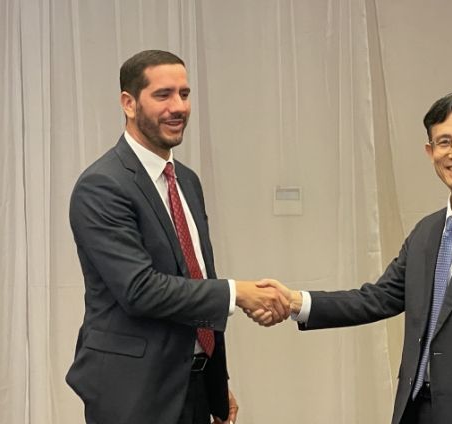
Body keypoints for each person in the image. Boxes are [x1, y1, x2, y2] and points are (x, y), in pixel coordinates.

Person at [255, 90, 452, 423]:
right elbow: (377, 298)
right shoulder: (426, 233)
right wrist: (295, 301)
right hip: (416, 411)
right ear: (430, 151)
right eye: (444, 142)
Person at [66, 49, 289, 424]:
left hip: (193, 385)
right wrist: (237, 293)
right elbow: (139, 289)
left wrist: (213, 381)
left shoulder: (186, 180)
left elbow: (194, 276)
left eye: (184, 94)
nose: (179, 107)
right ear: (129, 103)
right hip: (132, 396)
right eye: (163, 95)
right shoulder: (102, 185)